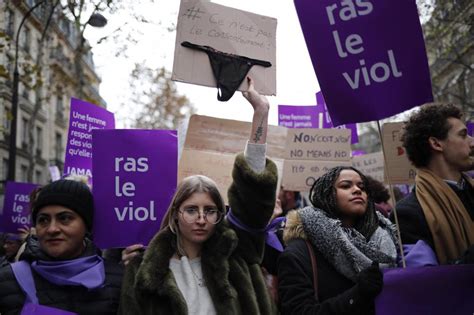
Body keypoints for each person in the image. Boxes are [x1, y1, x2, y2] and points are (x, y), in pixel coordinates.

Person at [119, 77, 278, 315]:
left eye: (210, 210)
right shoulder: (144, 270)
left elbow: (253, 195)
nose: (201, 219)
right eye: (192, 210)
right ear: (175, 214)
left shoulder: (235, 253)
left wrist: (261, 114)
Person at [278, 166, 398, 315]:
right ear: (327, 195)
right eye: (346, 186)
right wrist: (357, 295)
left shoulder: (386, 242)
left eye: (362, 187)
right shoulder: (299, 253)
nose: (357, 190)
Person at [0, 177, 123, 314]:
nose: (52, 229)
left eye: (64, 218)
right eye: (43, 220)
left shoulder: (120, 281)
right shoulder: (8, 280)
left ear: (87, 226)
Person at [394, 103, 474, 265]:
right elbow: (426, 279)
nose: (472, 142)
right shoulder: (407, 213)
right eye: (463, 135)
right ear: (436, 144)